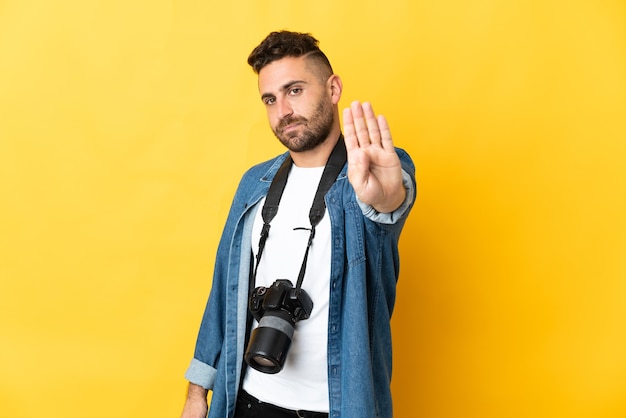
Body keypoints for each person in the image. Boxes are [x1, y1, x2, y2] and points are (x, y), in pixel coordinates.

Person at [180, 30, 416, 418]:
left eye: (295, 90)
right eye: (270, 99)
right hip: (247, 402)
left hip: (337, 407)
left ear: (333, 88)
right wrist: (196, 390)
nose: (282, 111)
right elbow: (223, 291)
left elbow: (389, 201)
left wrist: (385, 197)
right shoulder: (253, 184)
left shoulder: (370, 173)